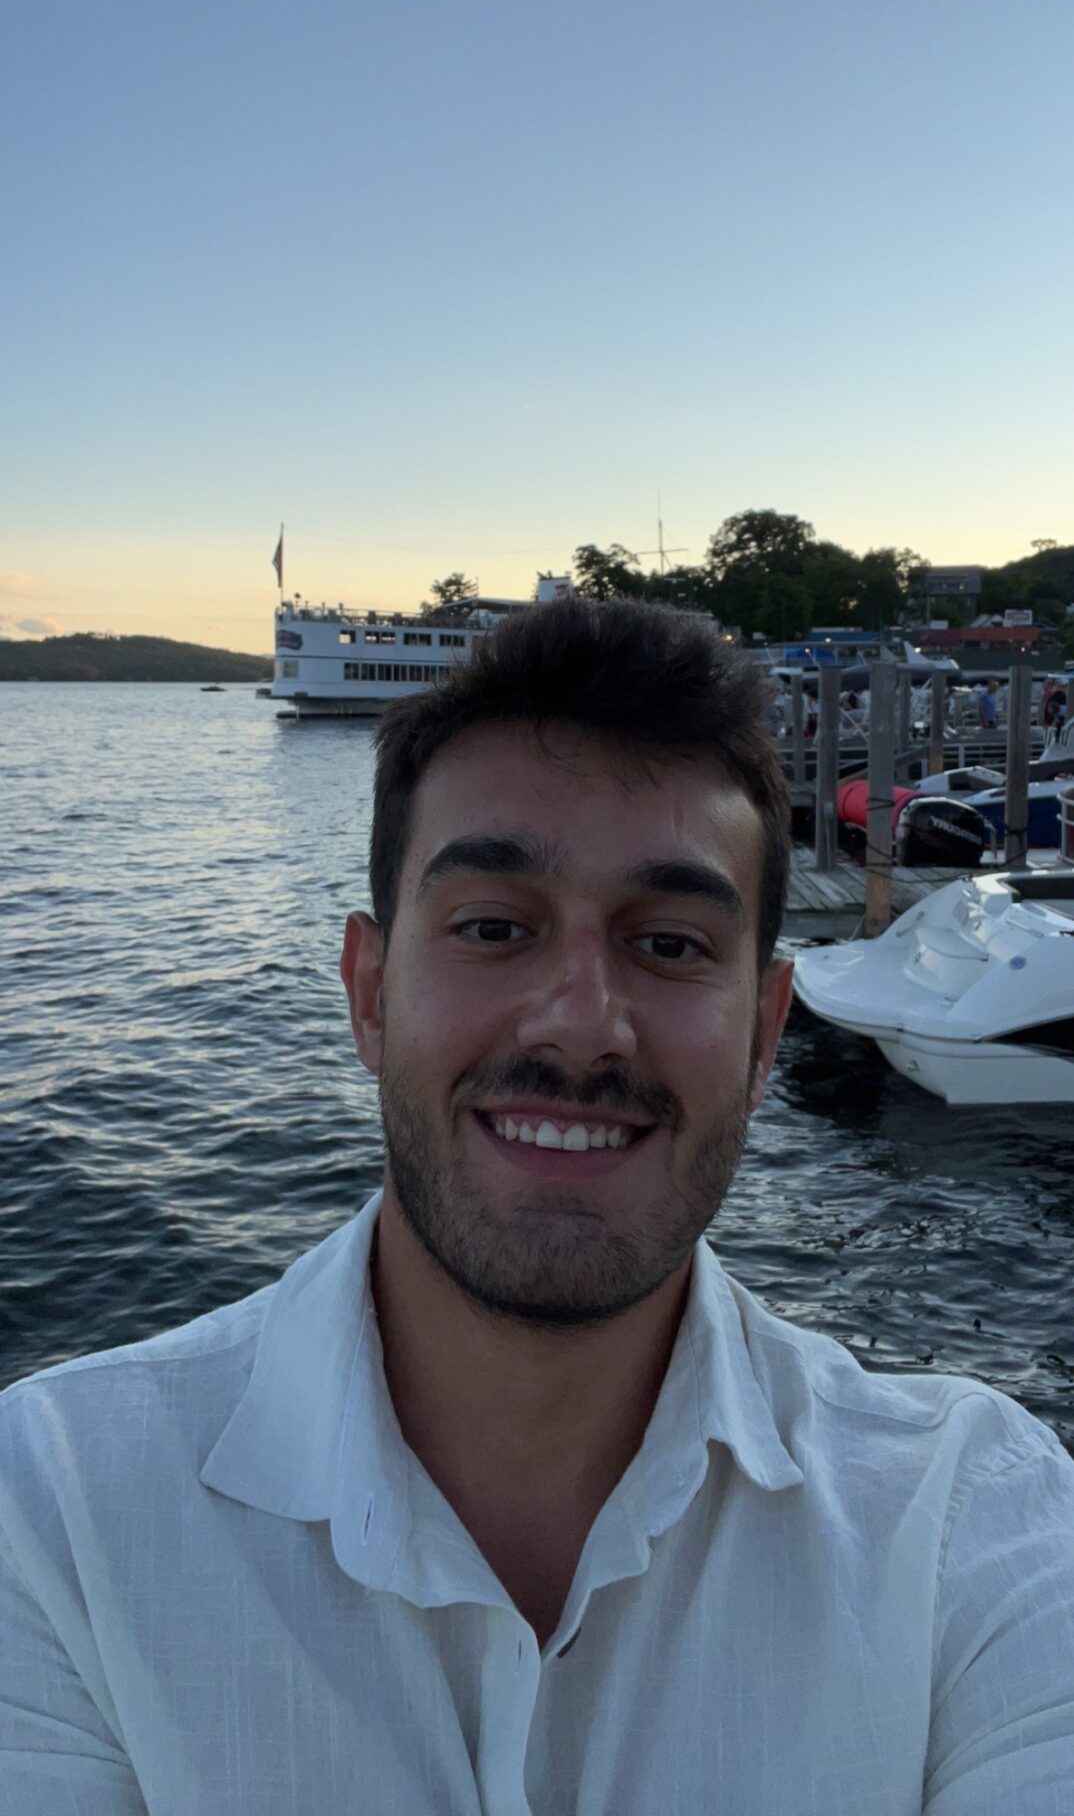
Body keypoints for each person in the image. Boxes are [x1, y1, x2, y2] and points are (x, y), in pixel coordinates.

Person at [2, 599, 1073, 1815]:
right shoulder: (54, 1516)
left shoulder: (971, 1524)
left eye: (670, 944)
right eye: (494, 926)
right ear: (368, 993)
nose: (580, 1022)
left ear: (765, 1032)